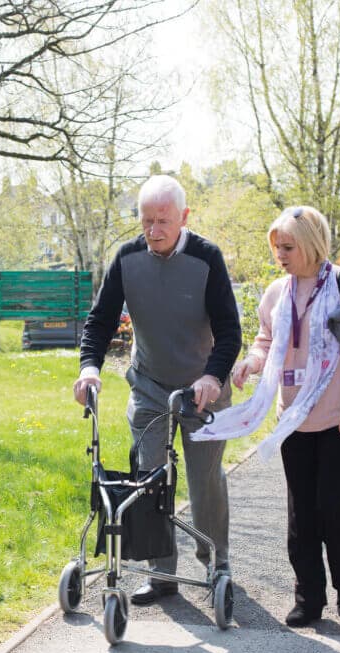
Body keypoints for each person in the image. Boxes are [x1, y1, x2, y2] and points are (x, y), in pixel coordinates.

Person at [192, 205, 340, 627]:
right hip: (294, 418)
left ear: (313, 244)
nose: (280, 255)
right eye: (276, 247)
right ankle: (308, 598)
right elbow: (267, 340)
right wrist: (252, 362)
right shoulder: (276, 293)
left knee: (332, 503)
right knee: (301, 511)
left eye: (288, 246)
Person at [72, 174, 242, 605]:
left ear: (183, 217)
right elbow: (100, 322)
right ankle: (161, 573)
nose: (153, 230)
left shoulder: (207, 258)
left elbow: (229, 331)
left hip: (203, 388)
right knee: (149, 480)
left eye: (163, 220)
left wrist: (212, 377)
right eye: (146, 221)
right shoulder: (127, 259)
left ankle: (215, 561)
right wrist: (89, 368)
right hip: (149, 388)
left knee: (204, 484)